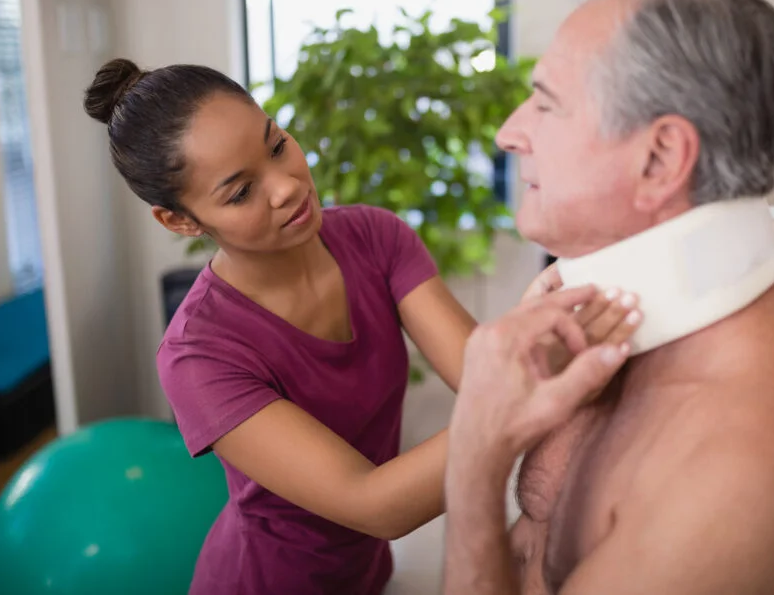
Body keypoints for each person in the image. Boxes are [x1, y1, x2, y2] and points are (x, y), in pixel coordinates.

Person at [83, 58, 639, 594]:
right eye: (241, 191)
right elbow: (374, 503)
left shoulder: (375, 238)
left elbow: (479, 376)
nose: (287, 186)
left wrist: (532, 345)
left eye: (277, 145)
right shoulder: (199, 354)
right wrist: (532, 377)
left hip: (367, 574)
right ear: (180, 220)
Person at [444, 0, 774, 594]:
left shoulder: (738, 465)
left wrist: (474, 463)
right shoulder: (605, 327)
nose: (510, 133)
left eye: (546, 103)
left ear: (659, 160)